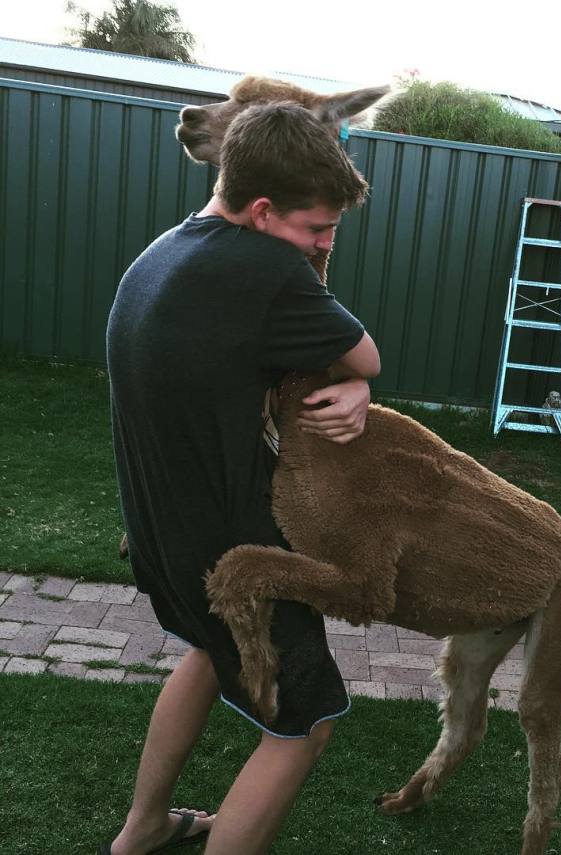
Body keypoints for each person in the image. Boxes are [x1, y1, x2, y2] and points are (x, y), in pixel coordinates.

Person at [101, 102, 380, 854]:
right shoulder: (262, 268)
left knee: (203, 652)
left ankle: (143, 829)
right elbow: (367, 356)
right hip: (236, 559)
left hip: (163, 537)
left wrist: (346, 386)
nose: (323, 243)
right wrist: (356, 386)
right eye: (315, 227)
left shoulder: (163, 250)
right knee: (304, 725)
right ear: (262, 211)